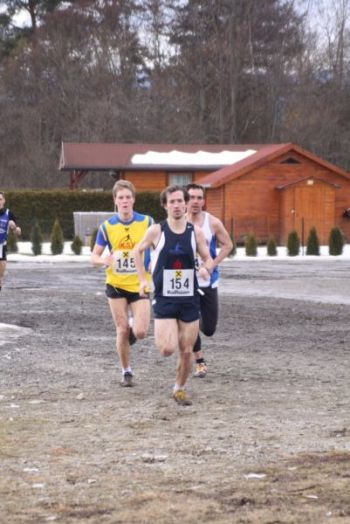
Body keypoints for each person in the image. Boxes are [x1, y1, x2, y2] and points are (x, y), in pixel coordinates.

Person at [134, 185, 214, 406]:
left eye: (181, 201)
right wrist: (142, 280)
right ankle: (165, 342)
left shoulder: (194, 232)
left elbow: (208, 257)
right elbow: (136, 251)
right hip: (165, 297)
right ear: (165, 205)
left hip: (189, 298)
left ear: (186, 204)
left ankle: (179, 388)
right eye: (172, 202)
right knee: (167, 349)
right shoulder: (156, 231)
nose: (177, 206)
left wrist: (207, 267)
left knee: (187, 350)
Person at [91, 180, 154, 387]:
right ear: (115, 201)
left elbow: (158, 247)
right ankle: (126, 372)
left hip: (139, 283)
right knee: (121, 329)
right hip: (116, 284)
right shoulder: (107, 227)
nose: (125, 201)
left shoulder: (147, 222)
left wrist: (154, 261)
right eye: (121, 198)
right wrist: (103, 260)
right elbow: (94, 257)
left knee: (140, 332)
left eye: (128, 197)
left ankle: (133, 328)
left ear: (133, 199)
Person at [186, 183, 233, 378]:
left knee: (210, 328)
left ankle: (198, 327)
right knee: (190, 321)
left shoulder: (212, 222)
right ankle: (199, 361)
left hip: (208, 281)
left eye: (199, 198)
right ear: (185, 200)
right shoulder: (176, 222)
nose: (195, 201)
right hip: (186, 282)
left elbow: (228, 245)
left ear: (204, 201)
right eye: (191, 197)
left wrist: (211, 265)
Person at [0, 191, 21, 292]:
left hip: (1, 247)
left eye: (0, 199)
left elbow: (18, 231)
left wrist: (15, 228)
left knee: (1, 276)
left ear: (4, 201)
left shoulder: (9, 214)